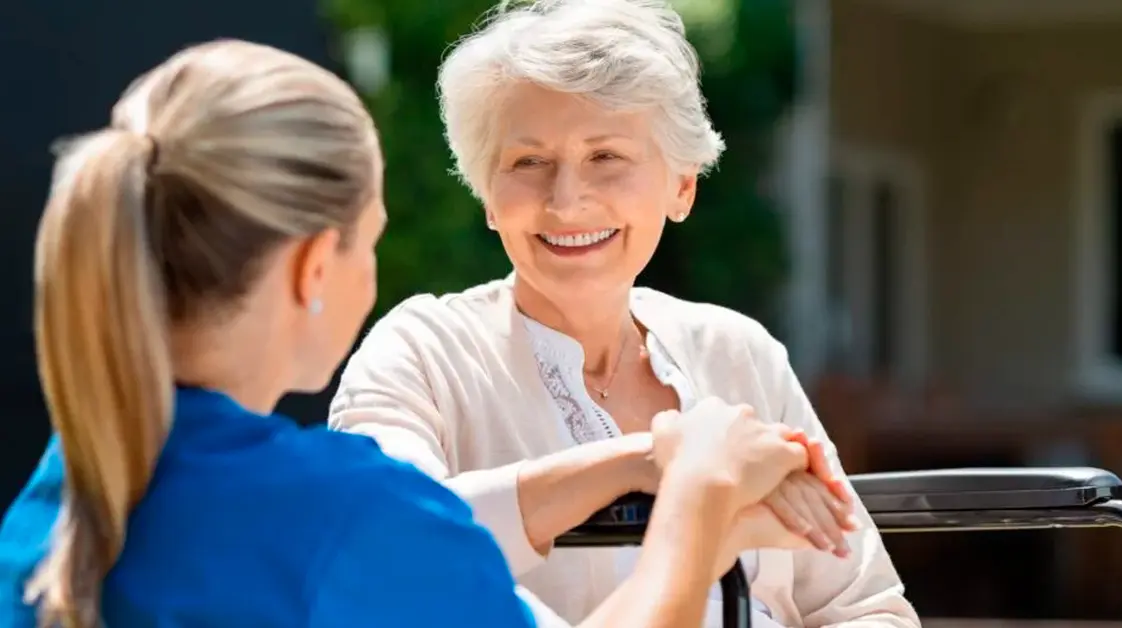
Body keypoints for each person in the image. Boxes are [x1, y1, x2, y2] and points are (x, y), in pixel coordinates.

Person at [0, 39, 832, 628]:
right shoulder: (351, 516)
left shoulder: (66, 492)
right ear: (314, 268)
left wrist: (645, 460)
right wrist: (696, 499)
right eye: (373, 235)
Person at [328, 1, 921, 626]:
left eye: (605, 156)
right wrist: (658, 461)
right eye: (529, 162)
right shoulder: (421, 352)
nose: (566, 200)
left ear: (681, 187)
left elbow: (864, 604)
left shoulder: (737, 350)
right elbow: (380, 545)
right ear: (488, 197)